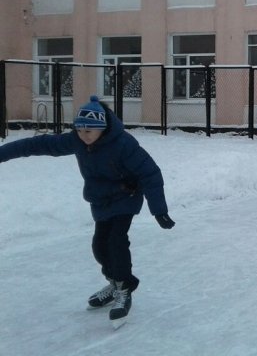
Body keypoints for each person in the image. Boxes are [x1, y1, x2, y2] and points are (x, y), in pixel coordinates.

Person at [0, 95, 175, 328]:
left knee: (116, 240)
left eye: (89, 132)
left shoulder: (123, 144)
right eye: (80, 131)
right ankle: (114, 282)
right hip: (101, 200)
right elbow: (38, 145)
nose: (84, 137)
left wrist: (158, 210)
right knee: (99, 245)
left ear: (102, 128)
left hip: (126, 196)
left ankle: (125, 288)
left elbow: (150, 173)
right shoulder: (78, 141)